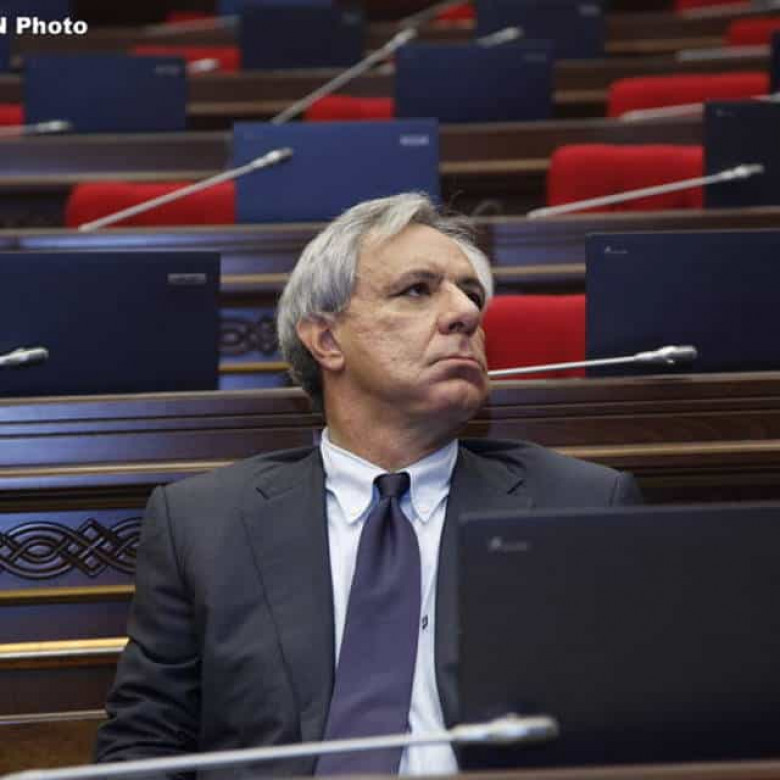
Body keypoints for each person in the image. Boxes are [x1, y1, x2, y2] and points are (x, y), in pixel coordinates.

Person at [95, 192, 641, 776]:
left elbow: (633, 731)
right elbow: (145, 742)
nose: (465, 313)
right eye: (417, 290)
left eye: (472, 295)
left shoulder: (580, 505)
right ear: (327, 340)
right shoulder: (203, 523)